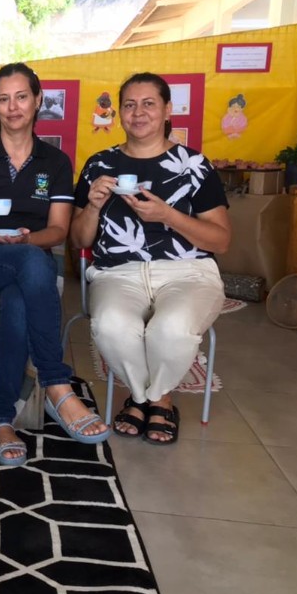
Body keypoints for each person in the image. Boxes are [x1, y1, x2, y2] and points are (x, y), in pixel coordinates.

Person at [0, 63, 110, 466]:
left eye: (21, 97)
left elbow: (58, 230)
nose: (13, 106)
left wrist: (24, 240)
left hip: (25, 258)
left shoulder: (54, 161)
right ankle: (56, 383)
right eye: (3, 99)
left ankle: (0, 419)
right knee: (33, 264)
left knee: (22, 290)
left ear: (37, 101)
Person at [71, 72, 231, 446]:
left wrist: (168, 216)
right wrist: (93, 206)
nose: (137, 113)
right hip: (117, 273)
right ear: (119, 113)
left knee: (171, 329)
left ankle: (150, 399)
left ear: (167, 110)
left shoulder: (193, 165)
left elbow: (222, 241)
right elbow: (79, 239)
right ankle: (152, 399)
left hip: (187, 272)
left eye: (148, 104)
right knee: (110, 325)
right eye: (129, 105)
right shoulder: (98, 165)